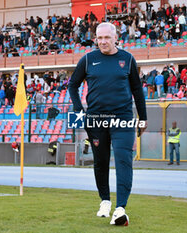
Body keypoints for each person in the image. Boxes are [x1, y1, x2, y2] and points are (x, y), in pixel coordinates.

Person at [69, 22, 147, 226]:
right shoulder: (88, 59)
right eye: (99, 37)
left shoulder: (127, 59)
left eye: (107, 38)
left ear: (115, 38)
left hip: (123, 118)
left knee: (124, 160)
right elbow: (73, 84)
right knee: (101, 162)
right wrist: (78, 110)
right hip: (95, 120)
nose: (103, 41)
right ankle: (105, 200)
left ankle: (120, 208)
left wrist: (143, 117)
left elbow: (137, 90)